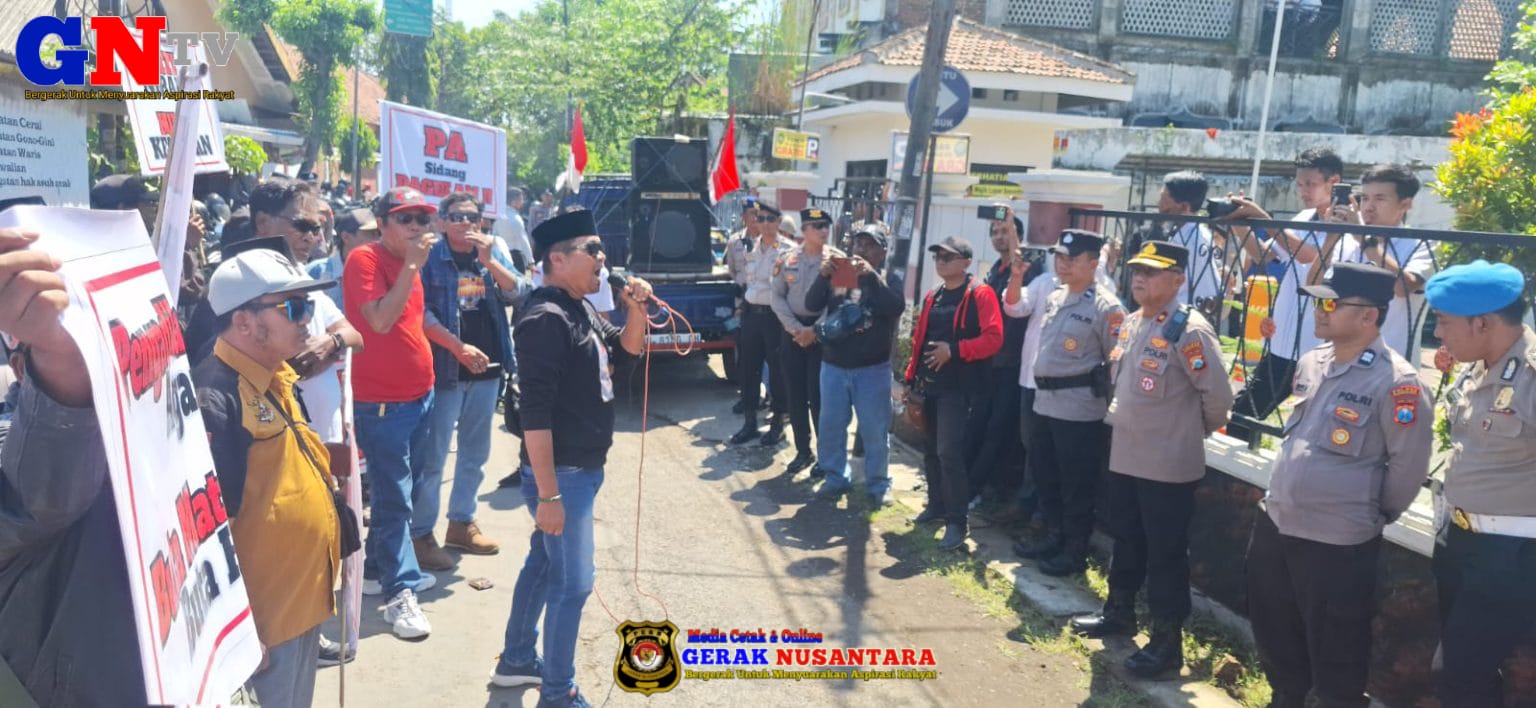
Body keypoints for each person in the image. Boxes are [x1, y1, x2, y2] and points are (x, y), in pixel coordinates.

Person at [1246, 262, 1432, 708]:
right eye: (1318, 300)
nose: (1319, 310)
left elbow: (1406, 470)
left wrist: (1366, 513)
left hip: (1336, 537)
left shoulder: (1397, 383)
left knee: (1336, 652)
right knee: (1274, 626)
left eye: (1331, 302)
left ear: (1369, 315)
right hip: (1279, 521)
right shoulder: (1314, 362)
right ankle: (1285, 698)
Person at [490, 210, 652, 708]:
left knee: (543, 565)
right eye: (593, 250)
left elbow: (625, 352)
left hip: (579, 471)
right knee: (573, 584)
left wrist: (636, 308)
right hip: (564, 475)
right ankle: (558, 693)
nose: (604, 259)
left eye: (603, 250)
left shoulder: (577, 305)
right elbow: (534, 415)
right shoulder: (545, 317)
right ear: (556, 260)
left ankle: (517, 660)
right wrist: (549, 494)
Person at [1071, 241, 1233, 678]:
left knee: (1164, 554)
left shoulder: (1188, 330)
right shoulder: (1132, 321)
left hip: (1168, 464)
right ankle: (1119, 612)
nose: (1139, 277)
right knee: (1126, 539)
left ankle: (1166, 644)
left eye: (1152, 272)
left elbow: (1218, 399)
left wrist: (1182, 431)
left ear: (1178, 279)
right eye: (1137, 269)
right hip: (1127, 454)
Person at [0, 228, 145, 706]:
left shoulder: (156, 423)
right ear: (22, 368)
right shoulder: (18, 442)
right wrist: (65, 359)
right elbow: (42, 500)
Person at [194, 249, 343, 707]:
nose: (307, 320)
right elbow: (204, 536)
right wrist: (234, 629)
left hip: (300, 602)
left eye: (309, 306)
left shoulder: (276, 375)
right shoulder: (214, 397)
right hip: (262, 625)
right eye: (293, 308)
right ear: (243, 322)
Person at [1424, 261, 1536, 707]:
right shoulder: (1483, 366)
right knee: (1458, 669)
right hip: (1461, 540)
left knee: (1462, 676)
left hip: (1508, 555)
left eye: (1445, 321)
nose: (1437, 333)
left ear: (1483, 323)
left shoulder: (1530, 374)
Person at [415, 192, 532, 566]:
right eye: (457, 217)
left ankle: (461, 524)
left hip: (488, 370)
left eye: (473, 218)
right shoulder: (430, 258)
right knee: (433, 459)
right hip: (446, 371)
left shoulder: (490, 252)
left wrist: (490, 263)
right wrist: (458, 347)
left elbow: (520, 293)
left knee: (474, 454)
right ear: (442, 221)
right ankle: (420, 534)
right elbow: (421, 313)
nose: (466, 225)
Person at [344, 186, 439, 640]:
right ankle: (399, 595)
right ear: (382, 224)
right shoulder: (364, 260)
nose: (418, 227)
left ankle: (378, 569)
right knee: (393, 497)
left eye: (423, 218)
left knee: (404, 489)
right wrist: (413, 267)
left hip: (419, 396)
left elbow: (413, 322)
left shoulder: (409, 266)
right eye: (406, 218)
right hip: (381, 404)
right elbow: (379, 321)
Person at [1009, 230, 1125, 576]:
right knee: (1047, 477)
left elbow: (1116, 363)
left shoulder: (1106, 307)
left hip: (1078, 410)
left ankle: (1074, 550)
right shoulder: (1057, 295)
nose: (1063, 264)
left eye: (1072, 259)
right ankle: (1053, 535)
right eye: (1060, 257)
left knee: (1076, 485)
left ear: (1094, 263)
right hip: (1044, 402)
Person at [1222, 146, 1345, 443]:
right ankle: (1239, 488)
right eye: (1300, 184)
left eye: (1311, 184)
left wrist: (1265, 220)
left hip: (1319, 347)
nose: (1303, 191)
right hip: (1283, 345)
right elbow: (1267, 257)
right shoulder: (1303, 217)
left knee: (1312, 430)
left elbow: (1306, 255)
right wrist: (1242, 229)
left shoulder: (1347, 225)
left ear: (1334, 182)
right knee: (1242, 415)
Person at [903, 236, 1004, 550]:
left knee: (949, 452)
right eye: (938, 257)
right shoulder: (934, 295)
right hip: (929, 386)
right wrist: (910, 379)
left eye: (948, 257)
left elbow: (994, 338)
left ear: (966, 262)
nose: (941, 262)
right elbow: (920, 340)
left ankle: (957, 522)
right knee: (930, 449)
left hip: (960, 389)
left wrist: (956, 351)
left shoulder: (981, 294)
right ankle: (936, 505)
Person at [806, 223, 904, 502]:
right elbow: (812, 305)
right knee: (831, 426)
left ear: (882, 252)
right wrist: (823, 277)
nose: (861, 250)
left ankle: (878, 484)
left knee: (875, 430)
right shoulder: (842, 274)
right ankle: (836, 478)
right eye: (858, 244)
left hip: (872, 370)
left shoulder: (887, 278)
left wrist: (871, 275)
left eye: (870, 245)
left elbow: (894, 307)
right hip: (834, 366)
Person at [1315, 164, 1436, 363]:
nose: (1369, 207)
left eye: (1380, 199)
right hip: (1337, 359)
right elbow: (1316, 285)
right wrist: (1331, 237)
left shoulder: (1422, 244)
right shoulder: (1348, 239)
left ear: (1405, 204)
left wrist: (1364, 239)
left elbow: (1403, 287)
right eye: (1365, 198)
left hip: (1391, 366)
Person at [772, 207, 840, 470]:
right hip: (792, 333)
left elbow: (838, 302)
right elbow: (776, 296)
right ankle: (803, 451)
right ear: (804, 231)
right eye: (817, 226)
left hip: (822, 335)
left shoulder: (836, 260)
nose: (824, 231)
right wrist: (795, 329)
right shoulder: (787, 258)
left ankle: (826, 456)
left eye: (826, 226)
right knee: (795, 394)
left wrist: (815, 330)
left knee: (819, 395)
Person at [970, 208, 1030, 507]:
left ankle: (978, 488)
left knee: (998, 429)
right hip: (987, 362)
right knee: (979, 424)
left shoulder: (1027, 268)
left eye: (1004, 230)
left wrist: (1013, 230)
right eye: (994, 231)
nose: (998, 236)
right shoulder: (994, 270)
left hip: (1011, 364)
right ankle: (975, 485)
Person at [729, 202, 794, 445]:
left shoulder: (788, 250)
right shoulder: (751, 248)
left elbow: (791, 287)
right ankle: (749, 423)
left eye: (769, 219)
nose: (764, 223)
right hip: (751, 315)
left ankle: (777, 423)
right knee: (748, 370)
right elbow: (748, 281)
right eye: (760, 218)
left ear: (778, 222)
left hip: (775, 317)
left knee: (778, 372)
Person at [1154, 171, 1224, 322]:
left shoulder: (1191, 240)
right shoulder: (1191, 233)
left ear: (1184, 206)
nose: (1158, 204)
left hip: (1184, 320)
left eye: (1163, 198)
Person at [308, 207, 381, 309]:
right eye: (371, 234)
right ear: (346, 237)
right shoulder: (317, 272)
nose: (377, 240)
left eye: (379, 234)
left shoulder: (381, 271)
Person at [492, 186, 533, 267]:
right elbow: (523, 239)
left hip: (501, 255)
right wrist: (531, 260)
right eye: (521, 199)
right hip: (515, 256)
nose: (523, 202)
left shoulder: (499, 216)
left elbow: (494, 236)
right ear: (514, 202)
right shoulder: (515, 218)